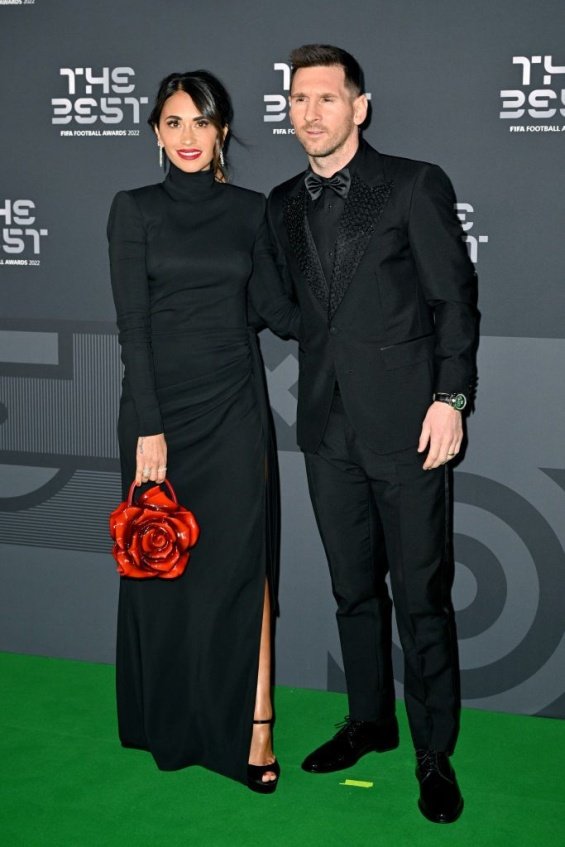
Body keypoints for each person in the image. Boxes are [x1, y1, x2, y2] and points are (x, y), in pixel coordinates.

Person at [266, 44, 478, 822]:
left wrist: (449, 396)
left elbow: (454, 300)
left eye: (326, 98)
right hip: (325, 428)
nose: (309, 113)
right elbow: (291, 304)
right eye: (297, 99)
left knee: (421, 595)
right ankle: (369, 720)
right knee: (352, 590)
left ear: (359, 106)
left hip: (410, 429)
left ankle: (432, 748)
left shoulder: (412, 184)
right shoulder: (281, 202)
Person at [107, 70, 300, 793]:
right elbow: (132, 327)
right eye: (173, 122)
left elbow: (277, 309)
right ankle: (170, 719)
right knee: (161, 566)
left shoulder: (250, 211)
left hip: (232, 409)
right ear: (155, 132)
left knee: (242, 568)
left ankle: (258, 725)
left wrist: (359, 315)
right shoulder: (134, 209)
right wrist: (149, 429)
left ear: (222, 130)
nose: (188, 136)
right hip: (158, 415)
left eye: (201, 122)